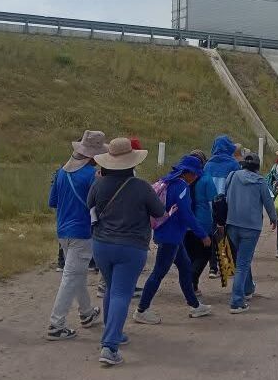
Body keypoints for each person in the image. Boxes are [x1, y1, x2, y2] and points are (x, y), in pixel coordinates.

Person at [89, 137, 165, 367]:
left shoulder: (98, 184)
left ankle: (113, 333)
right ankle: (109, 346)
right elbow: (159, 211)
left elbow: (89, 206)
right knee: (122, 292)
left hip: (101, 244)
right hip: (131, 246)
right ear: (132, 162)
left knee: (112, 289)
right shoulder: (141, 187)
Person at [134, 154, 213, 324]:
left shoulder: (167, 182)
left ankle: (195, 305)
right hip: (172, 236)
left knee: (185, 268)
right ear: (188, 173)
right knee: (158, 273)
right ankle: (142, 309)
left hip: (167, 233)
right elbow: (187, 214)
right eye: (196, 173)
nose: (197, 176)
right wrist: (203, 235)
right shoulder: (182, 187)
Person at [44, 130, 105, 341]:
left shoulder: (61, 173)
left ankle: (86, 313)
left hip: (63, 230)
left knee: (75, 273)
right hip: (83, 231)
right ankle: (56, 324)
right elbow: (99, 204)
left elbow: (53, 202)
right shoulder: (92, 176)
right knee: (71, 276)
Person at [224, 153, 278, 313]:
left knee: (241, 259)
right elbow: (268, 202)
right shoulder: (261, 182)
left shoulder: (232, 176)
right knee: (243, 263)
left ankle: (247, 289)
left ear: (243, 165)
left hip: (232, 223)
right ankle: (236, 301)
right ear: (257, 167)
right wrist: (274, 218)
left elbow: (225, 194)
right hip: (251, 226)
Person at [204, 135, 240, 278]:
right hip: (226, 204)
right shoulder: (233, 164)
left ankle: (213, 268)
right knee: (225, 235)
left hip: (211, 203)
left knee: (214, 234)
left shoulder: (208, 165)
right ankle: (225, 266)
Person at [184, 150, 217, 297]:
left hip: (185, 222)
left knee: (190, 254)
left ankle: (193, 285)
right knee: (204, 254)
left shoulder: (182, 178)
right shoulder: (206, 179)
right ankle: (191, 280)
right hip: (203, 221)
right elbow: (213, 200)